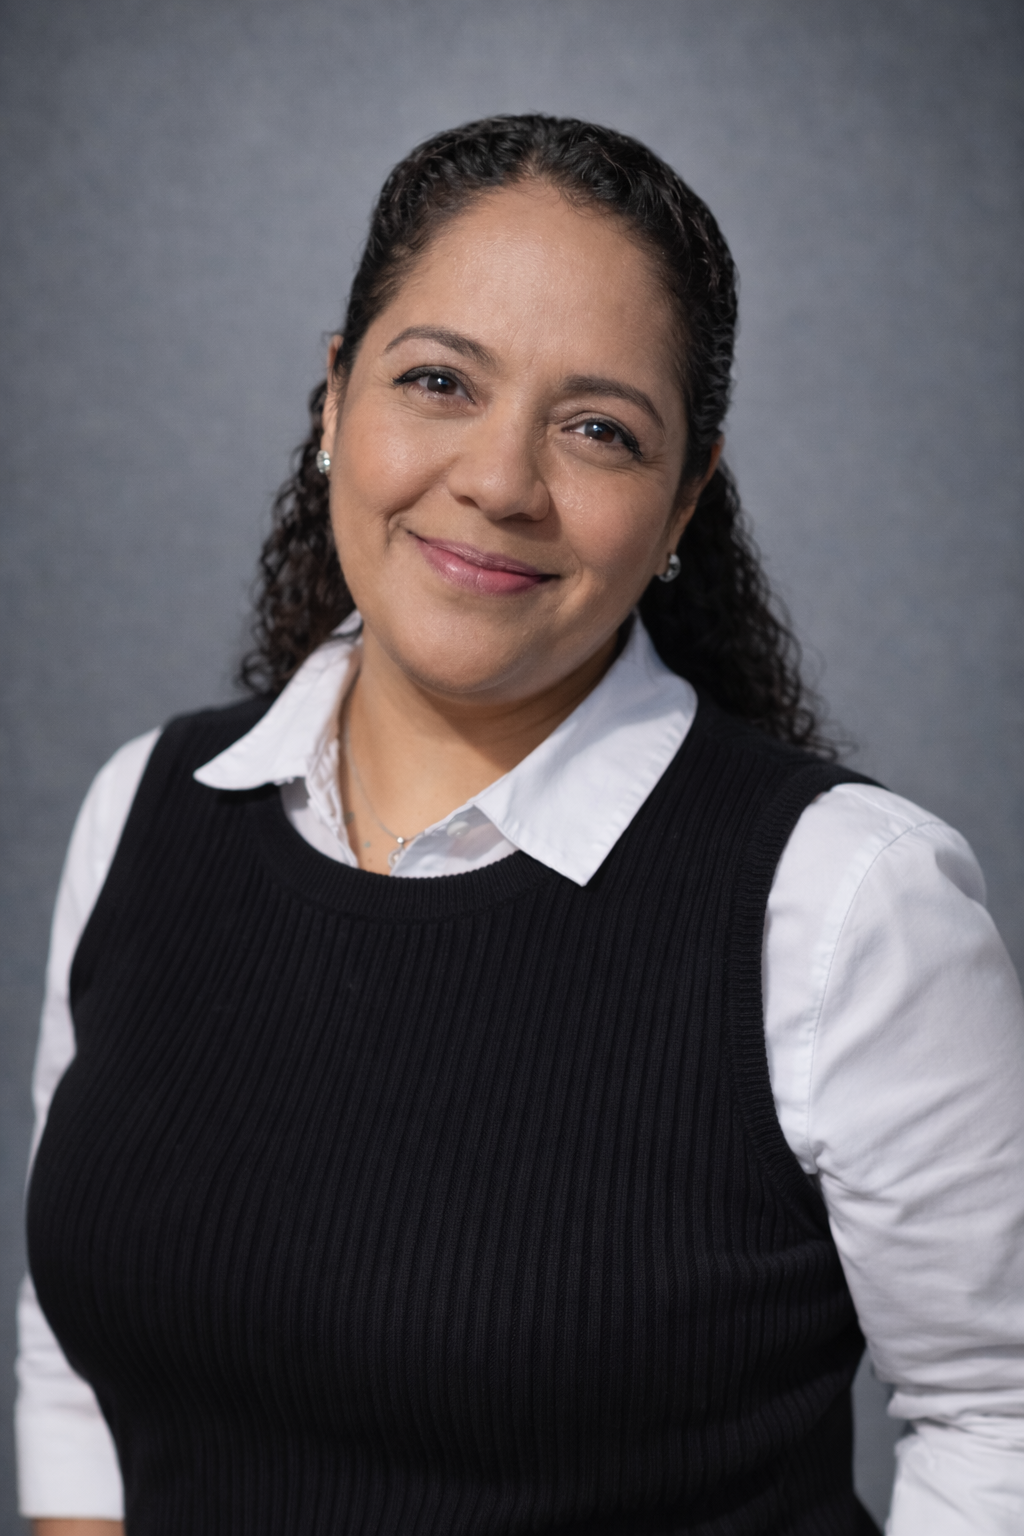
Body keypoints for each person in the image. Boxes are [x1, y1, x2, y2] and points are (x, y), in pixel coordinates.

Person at [16, 115, 1024, 1536]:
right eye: (437, 381)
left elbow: (1002, 1413)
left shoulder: (850, 902)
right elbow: (76, 1355)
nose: (500, 480)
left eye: (599, 429)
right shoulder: (149, 810)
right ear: (332, 400)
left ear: (684, 502)